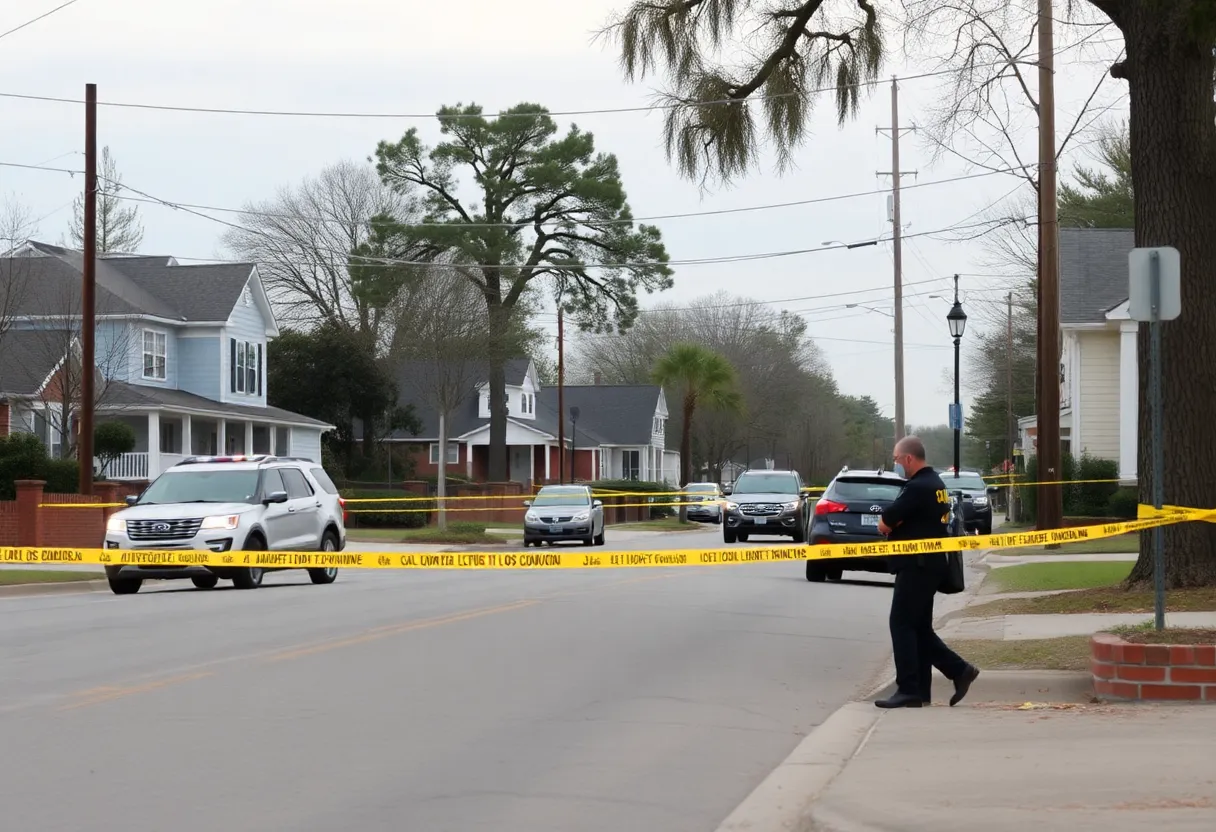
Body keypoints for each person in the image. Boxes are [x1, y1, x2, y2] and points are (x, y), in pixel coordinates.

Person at [874, 436, 980, 709]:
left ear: (909, 458)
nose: (896, 464)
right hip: (929, 566)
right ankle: (923, 690)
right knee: (918, 628)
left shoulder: (918, 487)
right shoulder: (937, 485)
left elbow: (885, 523)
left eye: (897, 459)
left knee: (901, 624)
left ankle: (912, 687)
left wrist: (888, 524)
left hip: (916, 565)